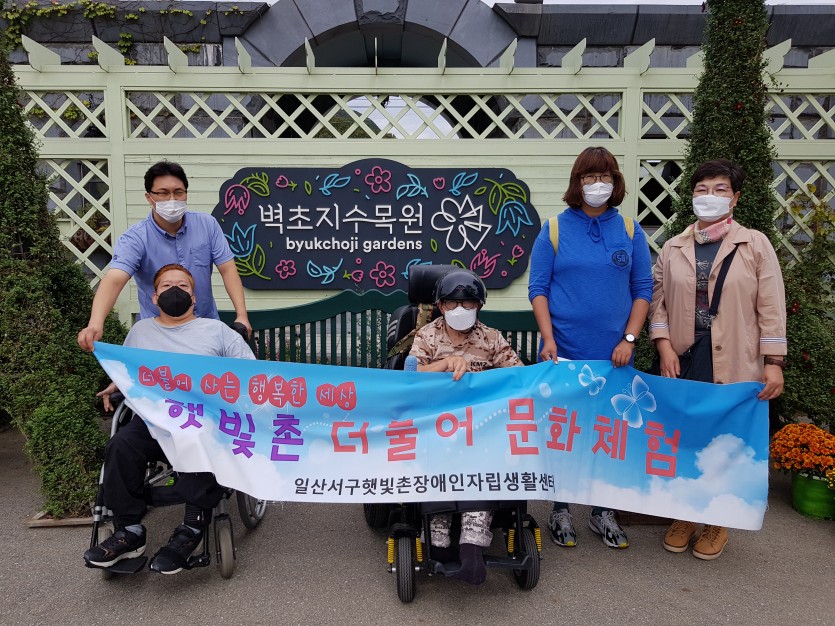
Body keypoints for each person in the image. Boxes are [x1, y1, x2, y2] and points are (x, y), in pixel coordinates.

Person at [649, 159, 786, 561]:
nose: (710, 196)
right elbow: (658, 302)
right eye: (702, 189)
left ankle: (717, 520)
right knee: (684, 436)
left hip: (736, 356)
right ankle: (684, 514)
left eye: (720, 189)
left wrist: (773, 360)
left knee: (725, 439)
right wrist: (663, 345)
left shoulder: (754, 244)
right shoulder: (673, 247)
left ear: (735, 198)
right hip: (685, 356)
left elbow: (771, 305)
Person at [83, 264, 255, 574]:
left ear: (194, 297)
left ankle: (191, 527)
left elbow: (251, 374)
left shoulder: (217, 331)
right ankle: (129, 530)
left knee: (201, 440)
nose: (174, 291)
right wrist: (115, 385)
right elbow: (128, 371)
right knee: (121, 445)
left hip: (202, 420)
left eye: (183, 286)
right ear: (154, 297)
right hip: (155, 420)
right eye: (166, 286)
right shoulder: (141, 332)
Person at [528, 146, 653, 549]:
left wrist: (629, 338)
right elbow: (538, 288)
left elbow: (643, 289)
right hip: (564, 352)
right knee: (565, 433)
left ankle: (602, 510)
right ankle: (561, 508)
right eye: (589, 177)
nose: (597, 184)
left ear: (616, 182)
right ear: (577, 182)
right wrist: (548, 338)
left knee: (609, 434)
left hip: (615, 357)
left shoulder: (631, 230)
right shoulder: (554, 229)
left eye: (605, 177)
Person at [409, 269, 522, 585]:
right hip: (436, 428)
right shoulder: (427, 336)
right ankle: (438, 535)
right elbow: (410, 377)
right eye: (453, 303)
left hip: (480, 428)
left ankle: (473, 543)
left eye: (468, 303)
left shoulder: (491, 338)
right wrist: (444, 365)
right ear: (441, 306)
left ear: (479, 305)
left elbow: (518, 376)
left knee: (483, 464)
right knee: (438, 464)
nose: (460, 309)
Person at [77, 161, 250, 352]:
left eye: (178, 192)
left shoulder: (207, 225)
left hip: (206, 333)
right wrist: (95, 323)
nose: (172, 199)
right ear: (149, 197)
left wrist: (241, 315)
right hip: (157, 337)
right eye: (163, 193)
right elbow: (114, 279)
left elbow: (228, 269)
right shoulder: (135, 238)